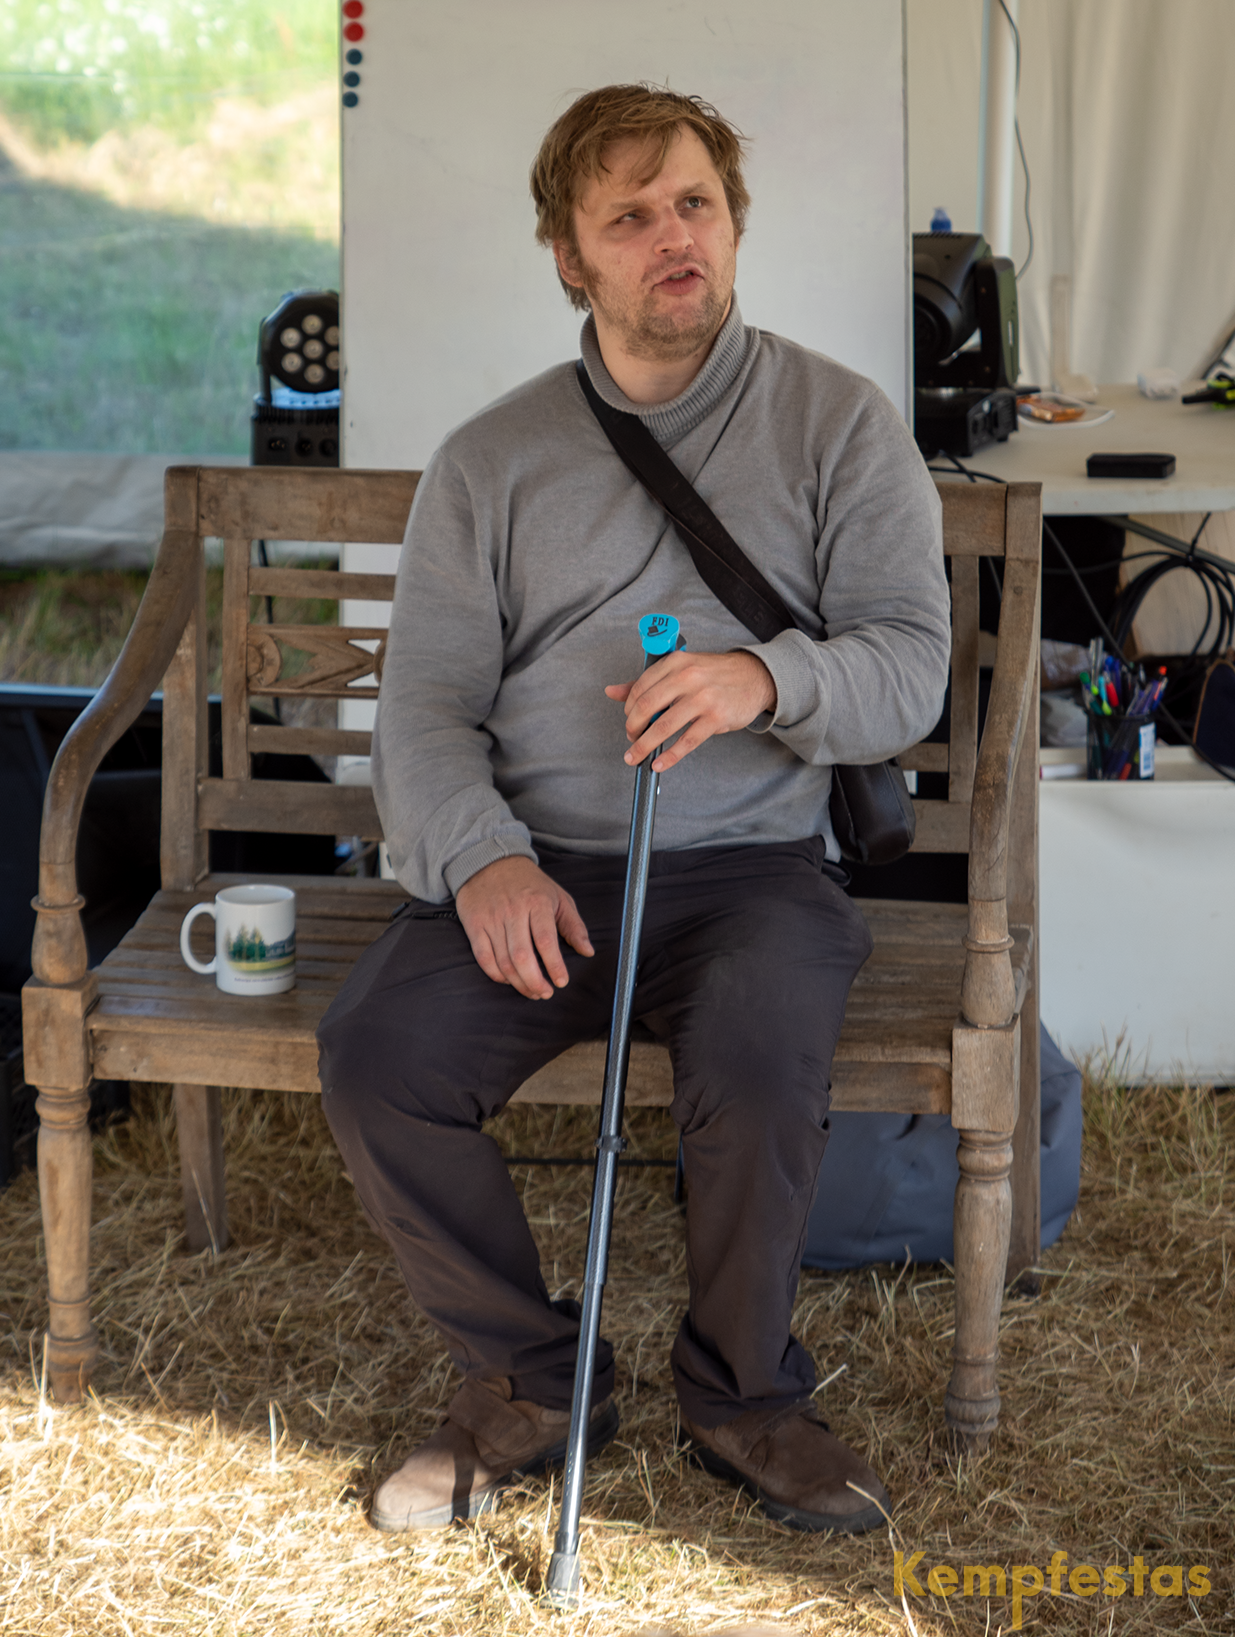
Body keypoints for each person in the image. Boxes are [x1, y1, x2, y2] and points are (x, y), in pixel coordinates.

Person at [317, 83, 950, 1539]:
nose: (675, 237)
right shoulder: (491, 459)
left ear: (733, 223)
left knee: (759, 1057)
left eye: (695, 204)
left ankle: (743, 1397)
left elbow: (909, 667)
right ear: (568, 256)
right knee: (379, 1057)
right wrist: (483, 861)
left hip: (751, 874)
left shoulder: (839, 424)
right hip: (541, 868)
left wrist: (767, 679)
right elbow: (421, 710)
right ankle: (532, 1379)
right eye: (629, 216)